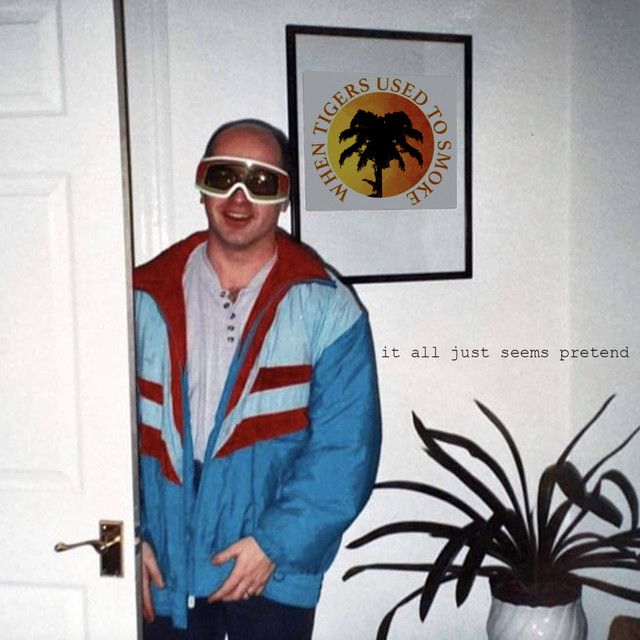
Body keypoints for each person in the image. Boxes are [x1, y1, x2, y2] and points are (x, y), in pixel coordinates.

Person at [134, 119, 381, 639]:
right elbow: (102, 428)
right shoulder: (141, 296)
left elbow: (346, 449)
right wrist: (130, 537)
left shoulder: (329, 308)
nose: (239, 197)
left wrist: (275, 544)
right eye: (224, 176)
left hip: (274, 568)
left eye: (262, 181)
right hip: (163, 565)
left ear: (285, 197)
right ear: (202, 184)